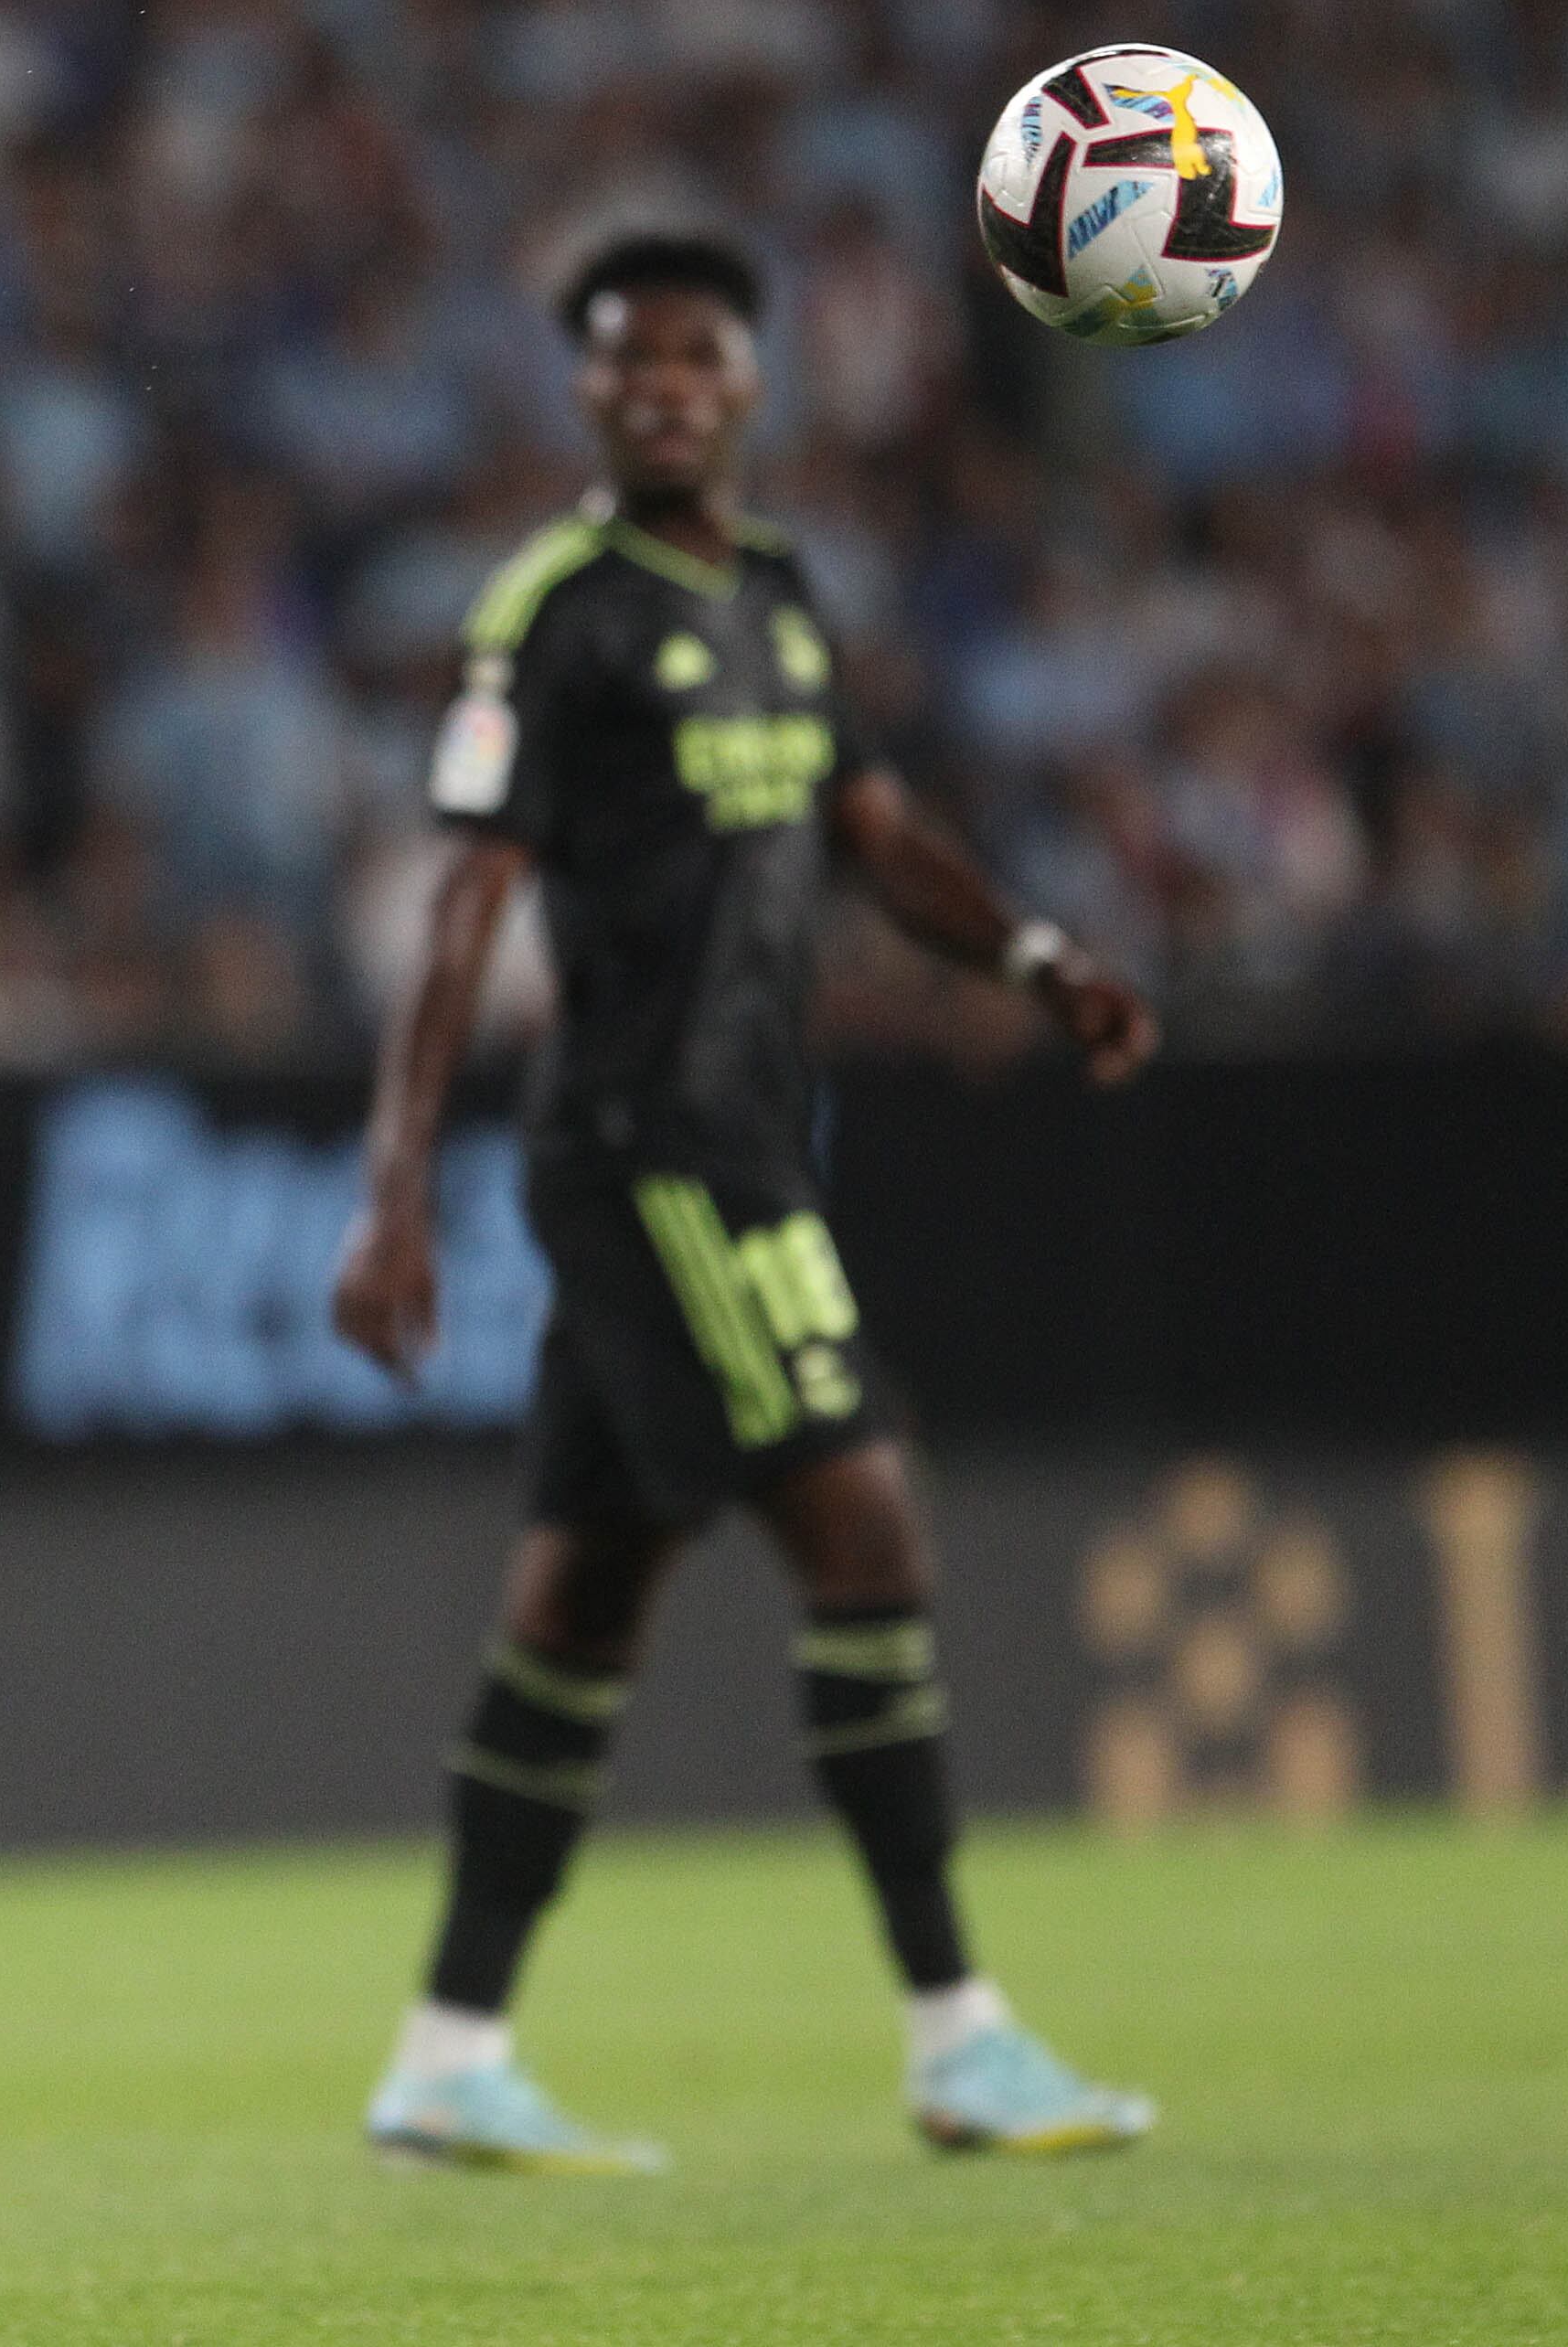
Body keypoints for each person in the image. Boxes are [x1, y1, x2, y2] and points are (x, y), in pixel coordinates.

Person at [330, 232, 1160, 2171]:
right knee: (866, 1522)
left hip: (744, 1137)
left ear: (752, 388)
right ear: (589, 397)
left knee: (583, 1604)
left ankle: (448, 2051)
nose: (665, 392)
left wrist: (1033, 956)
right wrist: (393, 1191)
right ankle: (960, 2031)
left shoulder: (784, 595)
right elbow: (467, 901)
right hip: (655, 1144)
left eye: (697, 362)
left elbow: (872, 834)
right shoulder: (555, 608)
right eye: (628, 367)